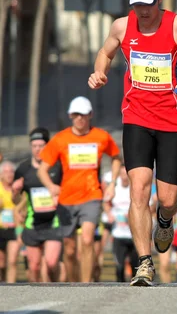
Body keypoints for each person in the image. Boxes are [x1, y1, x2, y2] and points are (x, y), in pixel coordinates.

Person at [88, 0, 177, 286]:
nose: (143, 11)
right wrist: (99, 72)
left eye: (148, 4)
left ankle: (164, 220)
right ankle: (145, 263)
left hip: (174, 121)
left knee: (169, 198)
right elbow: (105, 52)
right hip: (136, 118)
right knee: (138, 189)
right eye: (137, 4)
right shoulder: (122, 25)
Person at [37, 96, 122, 283]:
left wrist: (113, 183)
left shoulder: (101, 136)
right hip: (66, 200)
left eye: (84, 115)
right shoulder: (61, 139)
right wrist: (51, 186)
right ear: (70, 116)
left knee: (87, 240)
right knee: (69, 249)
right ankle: (74, 284)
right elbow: (42, 169)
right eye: (76, 115)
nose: (80, 119)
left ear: (90, 115)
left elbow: (116, 157)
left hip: (92, 196)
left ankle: (86, 284)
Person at [11, 128, 63, 282]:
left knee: (51, 263)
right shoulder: (23, 169)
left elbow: (66, 190)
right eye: (34, 146)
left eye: (41, 146)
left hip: (54, 223)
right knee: (34, 267)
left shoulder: (57, 166)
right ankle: (37, 297)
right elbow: (16, 202)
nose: (37, 149)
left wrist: (58, 195)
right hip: (32, 224)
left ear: (47, 146)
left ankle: (59, 288)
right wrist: (15, 192)